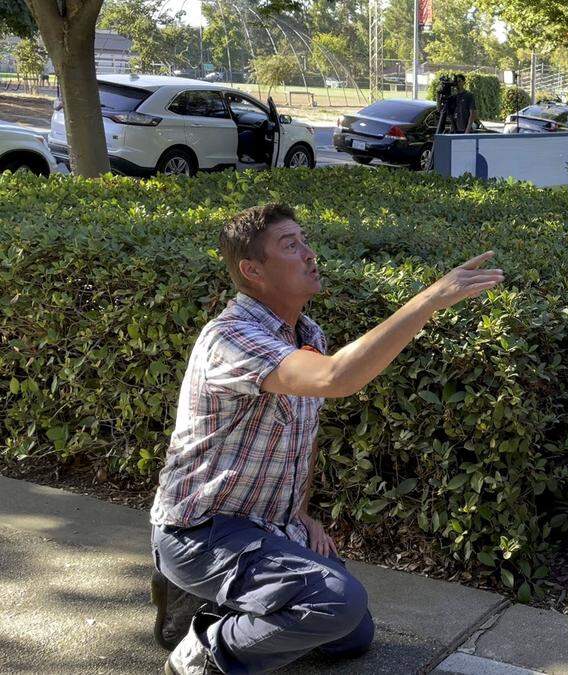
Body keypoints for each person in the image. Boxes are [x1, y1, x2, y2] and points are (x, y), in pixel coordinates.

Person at [150, 204, 503, 674]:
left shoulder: (305, 332)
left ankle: (213, 604)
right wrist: (428, 300)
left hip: (266, 526)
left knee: (351, 636)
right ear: (251, 270)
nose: (310, 254)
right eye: (290, 246)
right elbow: (336, 378)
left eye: (305, 240)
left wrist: (301, 514)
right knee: (334, 603)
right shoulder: (230, 339)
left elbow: (302, 432)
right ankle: (204, 652)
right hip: (202, 531)